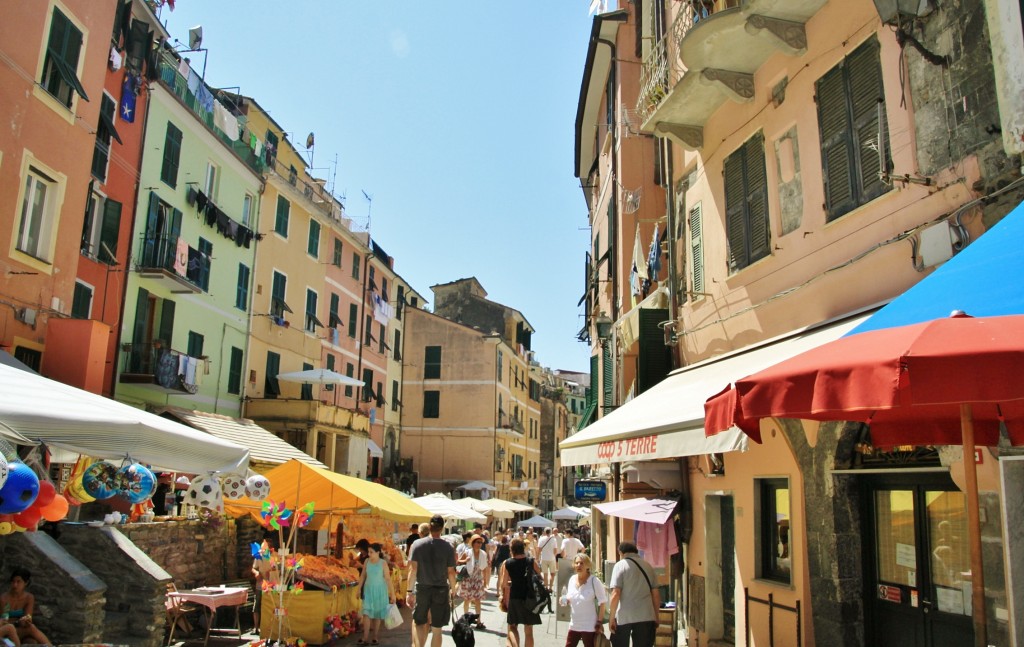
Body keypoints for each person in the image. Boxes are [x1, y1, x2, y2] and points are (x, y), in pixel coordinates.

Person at [406, 514, 457, 647]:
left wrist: (409, 592)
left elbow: (413, 571)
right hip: (440, 589)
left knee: (419, 623)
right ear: (442, 529)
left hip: (422, 588)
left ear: (429, 526)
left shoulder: (417, 544)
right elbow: (451, 572)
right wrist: (454, 589)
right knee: (437, 629)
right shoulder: (448, 547)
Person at [608, 542, 659, 647]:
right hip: (646, 615)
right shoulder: (648, 566)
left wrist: (611, 618)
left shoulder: (620, 566)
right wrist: (656, 616)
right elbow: (656, 594)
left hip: (624, 616)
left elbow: (616, 594)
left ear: (620, 553)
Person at [498, 538, 542, 647]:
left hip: (515, 597)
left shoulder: (508, 563)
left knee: (512, 627)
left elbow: (504, 583)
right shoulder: (531, 561)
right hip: (529, 597)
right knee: (529, 631)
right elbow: (540, 577)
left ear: (512, 549)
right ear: (523, 548)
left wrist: (505, 592)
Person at [561, 553, 607, 647]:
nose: (579, 565)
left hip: (589, 626)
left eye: (582, 563)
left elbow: (602, 603)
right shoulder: (572, 580)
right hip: (574, 624)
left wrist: (599, 622)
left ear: (588, 565)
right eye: (576, 563)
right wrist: (564, 600)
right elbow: (570, 599)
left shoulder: (594, 581)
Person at [0, 568, 49, 646]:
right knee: (29, 629)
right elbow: (4, 621)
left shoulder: (28, 598)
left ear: (25, 583)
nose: (15, 585)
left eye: (18, 582)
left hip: (19, 629)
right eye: (13, 582)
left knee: (32, 640)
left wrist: (26, 620)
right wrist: (16, 622)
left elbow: (28, 616)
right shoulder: (5, 599)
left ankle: (50, 645)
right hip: (7, 630)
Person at [359, 543, 396, 645]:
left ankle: (375, 636)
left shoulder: (383, 563)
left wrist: (392, 594)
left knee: (377, 615)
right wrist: (358, 589)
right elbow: (362, 576)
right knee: (366, 613)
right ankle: (365, 638)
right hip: (368, 590)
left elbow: (388, 579)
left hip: (380, 591)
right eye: (369, 552)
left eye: (371, 552)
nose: (369, 554)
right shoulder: (366, 561)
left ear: (378, 553)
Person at [457, 534, 489, 627]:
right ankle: (466, 620)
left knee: (478, 600)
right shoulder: (467, 552)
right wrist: (465, 560)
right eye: (477, 542)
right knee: (467, 600)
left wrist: (485, 581)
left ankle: (478, 621)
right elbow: (458, 562)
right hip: (468, 579)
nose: (479, 544)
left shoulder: (483, 553)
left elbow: (484, 568)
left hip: (477, 579)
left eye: (481, 542)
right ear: (473, 543)